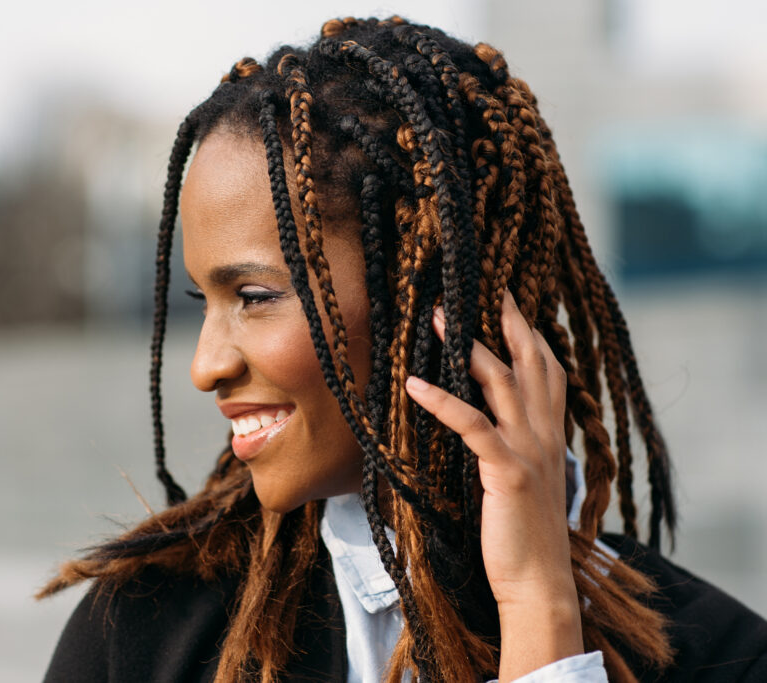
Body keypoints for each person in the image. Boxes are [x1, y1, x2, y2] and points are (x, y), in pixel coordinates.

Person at [38, 17, 767, 682]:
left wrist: (541, 612)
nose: (205, 367)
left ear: (428, 295)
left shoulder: (718, 656)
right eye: (205, 301)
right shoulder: (141, 634)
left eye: (254, 297)